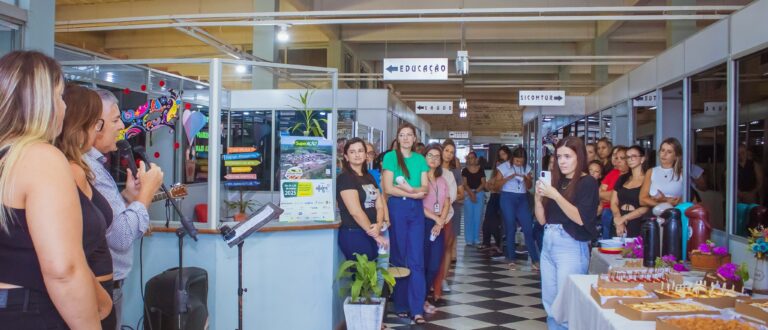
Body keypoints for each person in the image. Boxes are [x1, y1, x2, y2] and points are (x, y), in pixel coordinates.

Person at [0, 51, 101, 329]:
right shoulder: (40, 157)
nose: (64, 107)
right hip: (28, 312)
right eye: (59, 96)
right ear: (40, 102)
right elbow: (63, 270)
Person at [85, 89, 164, 329]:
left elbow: (102, 222)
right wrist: (145, 196)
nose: (121, 126)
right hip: (99, 289)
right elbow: (120, 237)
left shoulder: (96, 166)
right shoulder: (88, 169)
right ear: (94, 125)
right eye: (115, 119)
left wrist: (127, 198)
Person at [57, 84, 117, 329]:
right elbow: (70, 250)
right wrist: (102, 300)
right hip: (92, 294)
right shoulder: (71, 171)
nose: (98, 131)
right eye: (97, 123)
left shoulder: (79, 168)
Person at [534, 136, 599, 329]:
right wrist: (538, 199)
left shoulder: (587, 182)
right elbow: (542, 220)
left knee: (567, 306)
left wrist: (555, 195)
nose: (562, 161)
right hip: (549, 242)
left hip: (571, 245)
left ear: (579, 157)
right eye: (559, 156)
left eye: (567, 156)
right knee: (551, 302)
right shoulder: (557, 181)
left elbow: (581, 218)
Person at [381, 124, 429, 324]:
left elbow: (425, 187)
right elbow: (388, 188)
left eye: (409, 135)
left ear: (415, 138)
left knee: (417, 259)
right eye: (402, 135)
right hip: (397, 208)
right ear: (398, 138)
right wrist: (412, 192)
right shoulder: (390, 157)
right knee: (399, 257)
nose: (406, 138)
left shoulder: (419, 159)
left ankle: (417, 308)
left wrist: (416, 192)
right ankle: (401, 304)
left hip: (416, 211)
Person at [336, 138, 388, 261]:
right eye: (352, 152)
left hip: (371, 232)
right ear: (346, 157)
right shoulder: (345, 178)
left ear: (366, 155)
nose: (357, 154)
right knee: (361, 277)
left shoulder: (369, 176)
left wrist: (379, 225)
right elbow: (356, 212)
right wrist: (375, 235)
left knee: (372, 275)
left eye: (360, 151)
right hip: (354, 234)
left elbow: (379, 205)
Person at [495, 147, 538, 269]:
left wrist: (526, 178)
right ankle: (511, 258)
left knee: (528, 228)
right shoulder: (504, 167)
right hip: (507, 198)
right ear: (512, 158)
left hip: (522, 199)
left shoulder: (527, 168)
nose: (519, 163)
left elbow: (529, 187)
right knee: (510, 227)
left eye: (521, 161)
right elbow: (496, 186)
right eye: (517, 161)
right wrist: (508, 177)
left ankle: (535, 259)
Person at [420, 144, 450, 317]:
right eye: (430, 155)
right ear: (424, 157)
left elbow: (446, 202)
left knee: (434, 264)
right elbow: (418, 205)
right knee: (422, 263)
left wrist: (440, 221)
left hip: (438, 224)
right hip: (424, 223)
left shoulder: (442, 180)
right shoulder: (419, 178)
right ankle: (422, 299)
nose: (433, 159)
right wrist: (435, 219)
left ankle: (424, 296)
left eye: (437, 156)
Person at [432, 139, 463, 301]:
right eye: (446, 151)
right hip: (430, 215)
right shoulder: (429, 170)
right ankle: (432, 281)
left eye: (452, 152)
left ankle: (441, 280)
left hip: (448, 214)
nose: (449, 155)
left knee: (446, 248)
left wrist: (442, 210)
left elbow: (455, 195)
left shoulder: (453, 173)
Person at [612, 145, 649, 237]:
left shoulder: (648, 179)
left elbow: (647, 206)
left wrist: (624, 218)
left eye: (634, 156)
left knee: (635, 250)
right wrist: (618, 219)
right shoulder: (622, 178)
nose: (630, 159)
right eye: (628, 157)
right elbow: (613, 202)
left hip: (638, 220)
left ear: (642, 159)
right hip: (619, 221)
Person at [640, 137, 684, 208]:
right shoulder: (651, 171)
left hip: (676, 214)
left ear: (676, 156)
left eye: (669, 152)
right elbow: (642, 200)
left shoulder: (682, 172)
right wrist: (664, 203)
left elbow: (688, 199)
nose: (664, 154)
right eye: (662, 150)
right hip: (654, 214)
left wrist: (662, 200)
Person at [599, 146, 629, 239]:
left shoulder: (630, 177)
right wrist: (609, 196)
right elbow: (599, 193)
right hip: (607, 209)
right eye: (616, 158)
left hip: (622, 211)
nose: (618, 161)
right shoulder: (613, 172)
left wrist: (609, 196)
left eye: (622, 158)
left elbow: (619, 196)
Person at [463, 151, 487, 247]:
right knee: (469, 217)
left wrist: (475, 192)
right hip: (468, 194)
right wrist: (471, 193)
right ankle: (469, 239)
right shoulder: (465, 170)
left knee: (478, 216)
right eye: (469, 158)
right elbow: (464, 184)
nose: (470, 159)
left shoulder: (481, 169)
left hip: (479, 193)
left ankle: (476, 238)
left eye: (472, 157)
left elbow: (483, 183)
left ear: (476, 159)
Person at [482, 155, 504, 257]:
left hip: (500, 198)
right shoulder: (494, 174)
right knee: (487, 219)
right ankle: (486, 241)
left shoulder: (503, 174)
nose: (498, 165)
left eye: (501, 163)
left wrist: (493, 186)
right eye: (497, 163)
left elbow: (497, 187)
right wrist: (492, 185)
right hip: (493, 197)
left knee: (495, 221)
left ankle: (499, 242)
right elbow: (487, 186)